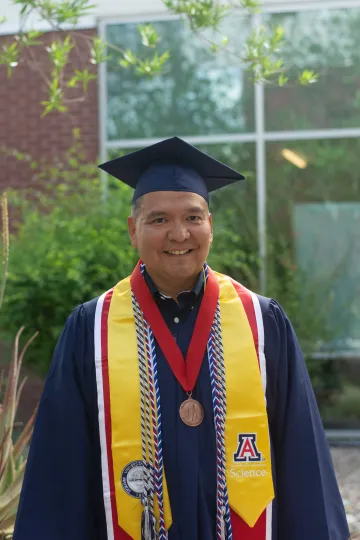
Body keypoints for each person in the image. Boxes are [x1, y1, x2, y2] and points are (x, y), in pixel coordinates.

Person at [13, 137, 349, 540]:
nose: (179, 234)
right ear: (132, 231)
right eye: (158, 220)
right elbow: (60, 469)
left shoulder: (262, 321)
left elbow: (301, 455)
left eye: (193, 217)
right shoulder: (91, 329)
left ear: (211, 225)